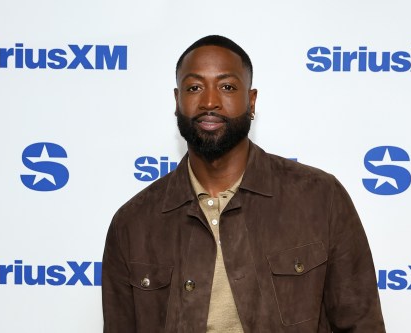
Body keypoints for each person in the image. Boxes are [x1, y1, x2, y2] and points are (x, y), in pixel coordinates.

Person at [102, 35, 386, 333]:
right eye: (194, 87)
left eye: (227, 87)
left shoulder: (320, 198)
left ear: (251, 101)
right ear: (177, 101)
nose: (209, 101)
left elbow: (361, 323)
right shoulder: (133, 223)